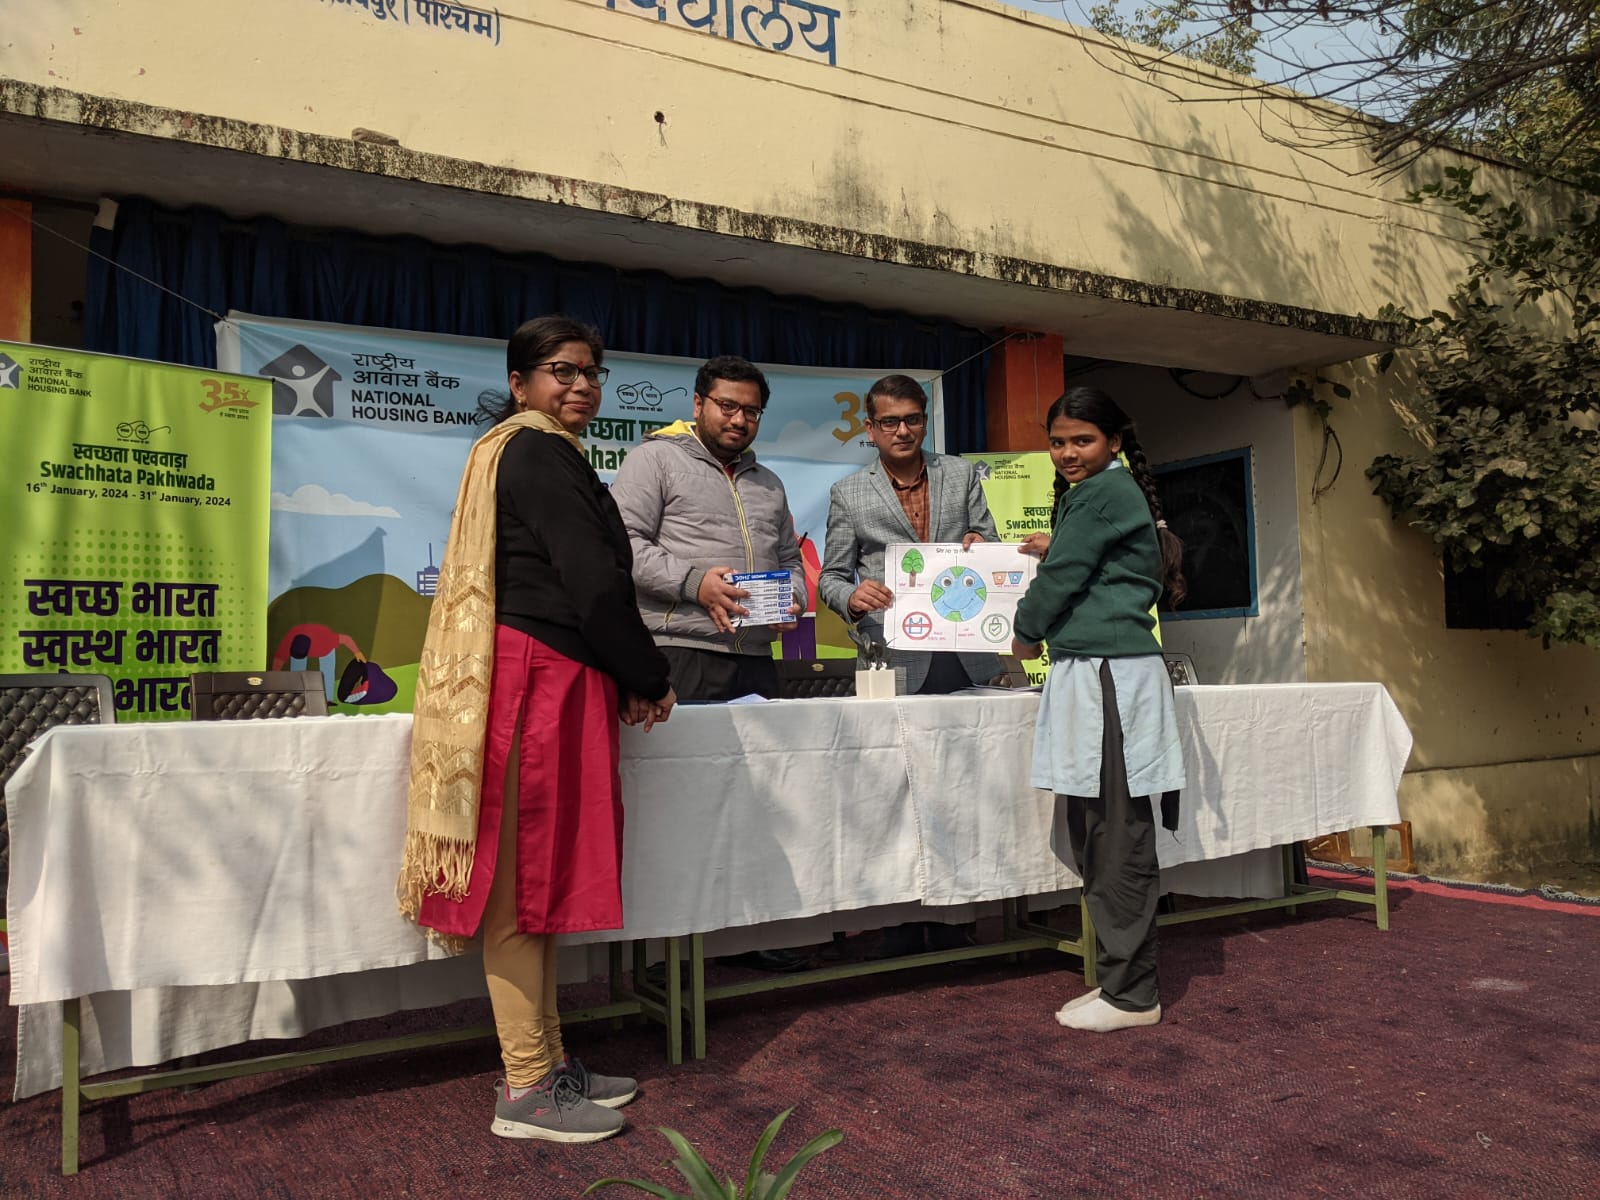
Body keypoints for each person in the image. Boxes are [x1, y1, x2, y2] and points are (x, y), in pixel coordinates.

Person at [397, 315, 677, 1144]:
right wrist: (647, 673)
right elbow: (591, 583)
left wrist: (620, 671)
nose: (581, 385)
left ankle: (550, 1064)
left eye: (591, 371)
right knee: (520, 893)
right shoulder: (535, 450)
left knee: (541, 886)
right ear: (520, 383)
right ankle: (525, 1087)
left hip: (555, 674)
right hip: (534, 679)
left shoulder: (537, 451)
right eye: (562, 370)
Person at [1011, 387, 1187, 1034]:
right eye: (1057, 442)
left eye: (1082, 440)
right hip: (1099, 671)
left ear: (1113, 441)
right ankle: (1119, 979)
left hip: (1108, 675)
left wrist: (1023, 633)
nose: (1067, 453)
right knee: (1097, 831)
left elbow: (1064, 579)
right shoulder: (1100, 493)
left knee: (1115, 835)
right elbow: (1088, 561)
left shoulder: (1102, 493)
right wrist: (1055, 545)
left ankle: (1134, 994)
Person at [817, 373, 1001, 955]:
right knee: (893, 789)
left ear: (925, 421)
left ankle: (958, 916)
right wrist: (852, 597)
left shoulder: (961, 475)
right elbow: (831, 576)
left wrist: (981, 546)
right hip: (891, 658)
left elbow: (991, 542)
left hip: (965, 652)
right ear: (870, 430)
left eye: (913, 419)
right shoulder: (849, 493)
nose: (903, 430)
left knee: (965, 787)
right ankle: (897, 919)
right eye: (889, 421)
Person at [610, 354, 805, 703]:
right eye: (727, 406)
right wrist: (695, 584)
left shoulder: (769, 483)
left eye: (751, 411)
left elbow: (790, 559)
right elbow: (623, 544)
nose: (739, 420)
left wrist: (792, 599)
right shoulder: (654, 459)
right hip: (681, 651)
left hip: (758, 658)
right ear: (698, 404)